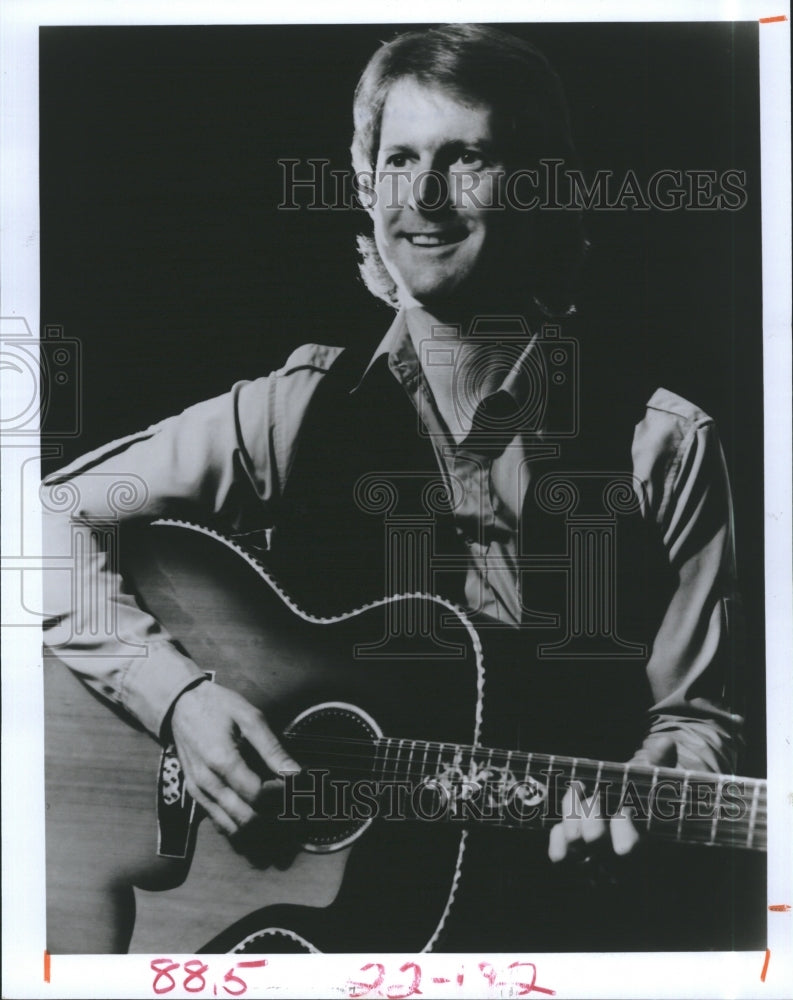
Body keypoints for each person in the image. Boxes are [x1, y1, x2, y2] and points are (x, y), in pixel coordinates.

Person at [42, 24, 745, 952]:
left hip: (541, 938)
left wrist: (653, 793)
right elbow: (32, 519)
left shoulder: (663, 444)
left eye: (466, 159)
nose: (423, 195)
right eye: (399, 158)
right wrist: (180, 700)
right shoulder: (287, 415)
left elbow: (694, 722)